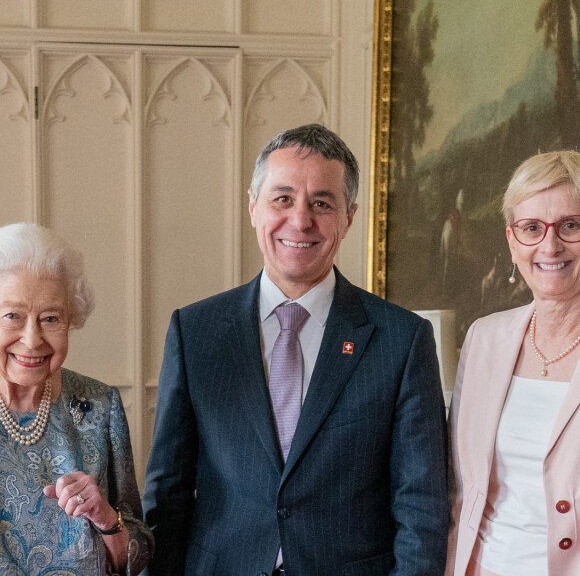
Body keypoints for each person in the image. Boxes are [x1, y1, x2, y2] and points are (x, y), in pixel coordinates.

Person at [143, 123, 448, 575]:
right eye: (282, 198)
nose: (301, 220)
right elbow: (167, 494)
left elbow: (421, 510)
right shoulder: (196, 332)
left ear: (349, 216)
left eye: (322, 203)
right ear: (253, 207)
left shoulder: (402, 340)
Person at [446, 150, 580, 575]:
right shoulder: (484, 339)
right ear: (511, 241)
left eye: (571, 225)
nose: (550, 245)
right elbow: (458, 489)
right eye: (531, 228)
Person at [0, 222, 153, 575]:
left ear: (71, 321)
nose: (32, 339)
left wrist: (106, 518)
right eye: (13, 316)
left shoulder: (99, 407)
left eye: (50, 318)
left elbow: (137, 557)